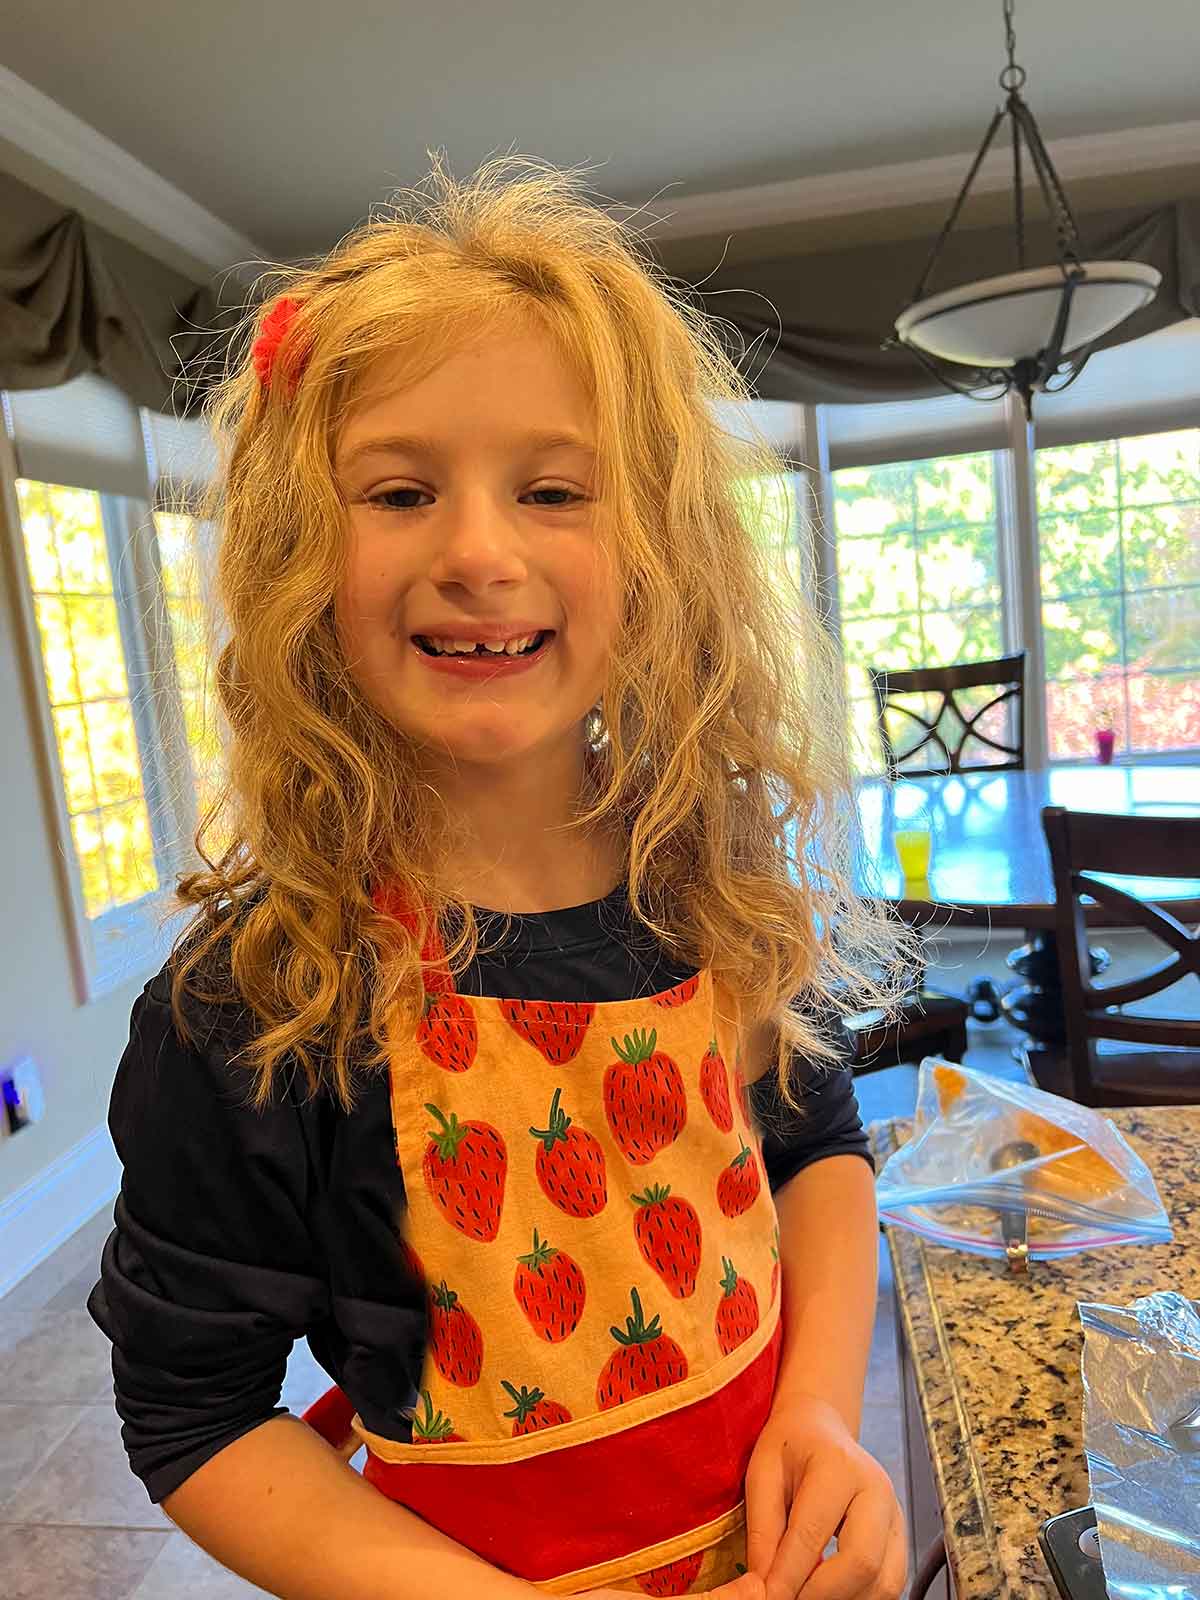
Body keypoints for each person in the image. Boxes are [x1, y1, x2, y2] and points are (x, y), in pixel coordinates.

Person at [88, 152, 914, 1600]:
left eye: (552, 490)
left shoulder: (699, 877)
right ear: (295, 555)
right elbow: (194, 1417)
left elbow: (816, 1151)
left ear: (658, 548)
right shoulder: (260, 999)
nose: (479, 552)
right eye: (399, 491)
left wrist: (822, 1412)